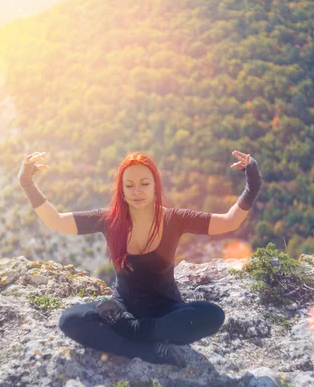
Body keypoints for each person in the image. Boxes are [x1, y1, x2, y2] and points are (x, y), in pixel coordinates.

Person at [18, 151, 262, 368]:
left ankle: (134, 334)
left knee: (211, 315)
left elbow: (229, 221)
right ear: (121, 191)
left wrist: (253, 184)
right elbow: (56, 221)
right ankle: (145, 349)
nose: (137, 191)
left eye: (144, 183)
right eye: (130, 185)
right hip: (122, 310)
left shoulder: (174, 219)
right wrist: (27, 183)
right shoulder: (108, 220)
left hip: (166, 310)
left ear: (155, 186)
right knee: (70, 320)